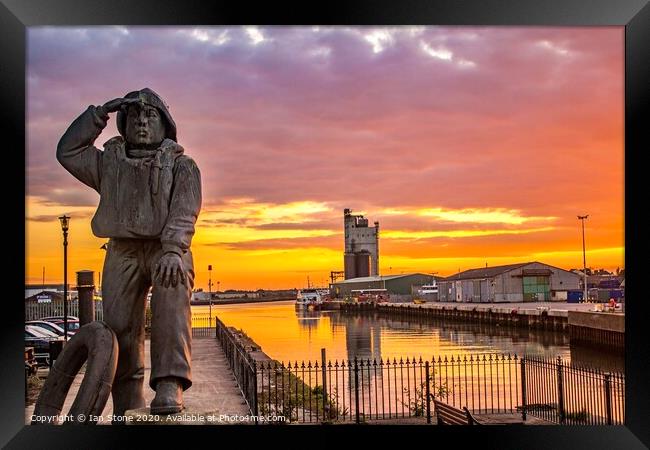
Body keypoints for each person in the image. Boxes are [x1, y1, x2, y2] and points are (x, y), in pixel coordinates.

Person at [56, 88, 202, 417]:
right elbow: (68, 151)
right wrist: (98, 114)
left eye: (150, 115)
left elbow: (184, 210)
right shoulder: (109, 163)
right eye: (134, 115)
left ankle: (169, 381)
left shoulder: (183, 166)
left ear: (165, 124)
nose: (141, 121)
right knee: (119, 325)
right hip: (121, 249)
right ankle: (127, 394)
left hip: (167, 248)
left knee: (172, 295)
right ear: (123, 123)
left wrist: (174, 249)